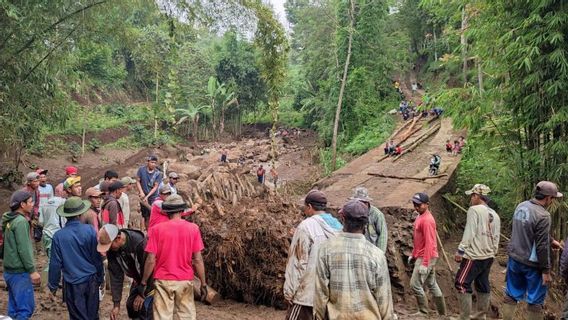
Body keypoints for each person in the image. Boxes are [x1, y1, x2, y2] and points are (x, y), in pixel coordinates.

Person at [314, 200, 394, 320]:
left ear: (343, 219)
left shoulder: (326, 249)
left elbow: (320, 293)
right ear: (365, 224)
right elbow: (384, 299)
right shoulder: (376, 255)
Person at [502, 181, 563, 320]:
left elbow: (528, 229)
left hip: (515, 258)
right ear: (548, 198)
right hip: (532, 264)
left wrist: (550, 240)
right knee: (536, 300)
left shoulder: (521, 206)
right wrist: (546, 271)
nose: (553, 201)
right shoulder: (543, 215)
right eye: (553, 198)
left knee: (511, 294)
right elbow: (541, 246)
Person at [141, 194, 208, 319]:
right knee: (186, 316)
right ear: (182, 210)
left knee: (163, 316)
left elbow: (151, 260)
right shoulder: (193, 229)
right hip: (185, 279)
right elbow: (198, 260)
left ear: (166, 211)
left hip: (163, 280)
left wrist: (144, 281)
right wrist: (203, 284)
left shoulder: (156, 230)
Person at [284, 190, 342, 320]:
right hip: (331, 297)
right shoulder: (339, 227)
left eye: (305, 207)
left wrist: (289, 292)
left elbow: (298, 263)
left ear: (309, 207)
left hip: (307, 297)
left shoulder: (306, 226)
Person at [48, 196, 104, 320]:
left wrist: (53, 286)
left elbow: (55, 264)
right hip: (91, 280)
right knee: (93, 315)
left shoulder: (58, 236)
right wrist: (100, 278)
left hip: (73, 283)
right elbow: (96, 258)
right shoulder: (89, 231)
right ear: (81, 214)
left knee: (77, 316)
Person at [454, 184, 501, 320]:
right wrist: (493, 251)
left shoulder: (474, 210)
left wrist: (461, 250)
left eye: (472, 196)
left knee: (461, 283)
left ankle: (465, 317)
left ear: (477, 196)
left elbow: (470, 231)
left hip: (474, 256)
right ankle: (481, 316)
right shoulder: (495, 215)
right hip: (488, 256)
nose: (470, 199)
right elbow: (496, 236)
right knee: (482, 283)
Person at [98, 224, 155, 320]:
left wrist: (143, 293)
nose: (108, 249)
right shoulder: (112, 251)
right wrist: (116, 305)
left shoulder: (139, 243)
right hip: (138, 279)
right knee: (131, 306)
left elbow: (151, 266)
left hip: (152, 280)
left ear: (118, 238)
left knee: (145, 309)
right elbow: (116, 276)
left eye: (109, 245)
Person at [2, 190, 41, 319]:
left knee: (14, 308)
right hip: (20, 272)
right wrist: (32, 270)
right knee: (25, 309)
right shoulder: (21, 222)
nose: (32, 204)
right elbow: (23, 249)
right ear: (22, 205)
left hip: (9, 271)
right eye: (30, 202)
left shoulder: (9, 220)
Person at [409, 192, 446, 316]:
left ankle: (423, 312)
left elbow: (430, 243)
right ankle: (442, 313)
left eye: (419, 205)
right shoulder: (420, 216)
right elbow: (418, 239)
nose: (416, 207)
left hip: (427, 256)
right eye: (415, 204)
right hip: (422, 254)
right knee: (431, 283)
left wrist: (425, 263)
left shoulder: (427, 220)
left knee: (415, 284)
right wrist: (413, 254)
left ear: (427, 205)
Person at [38, 176, 81, 272]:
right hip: (59, 235)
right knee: (61, 261)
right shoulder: (65, 204)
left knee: (52, 260)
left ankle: (51, 282)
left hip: (47, 234)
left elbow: (40, 221)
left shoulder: (46, 203)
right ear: (65, 191)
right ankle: (50, 282)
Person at [349, 187, 388, 252]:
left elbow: (383, 235)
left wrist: (380, 254)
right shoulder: (352, 213)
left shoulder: (376, 214)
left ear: (366, 202)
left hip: (372, 252)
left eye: (361, 202)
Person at [137, 155, 163, 229]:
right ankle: (148, 231)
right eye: (152, 162)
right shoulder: (141, 170)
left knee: (153, 214)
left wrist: (147, 196)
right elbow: (138, 181)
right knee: (145, 216)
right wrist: (141, 192)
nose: (153, 164)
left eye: (155, 163)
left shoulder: (158, 173)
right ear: (148, 162)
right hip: (143, 195)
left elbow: (155, 187)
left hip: (153, 196)